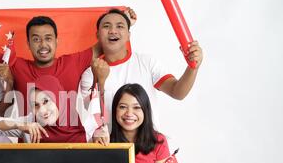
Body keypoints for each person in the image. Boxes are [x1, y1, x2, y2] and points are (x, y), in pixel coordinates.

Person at [0, 10, 137, 134]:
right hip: (32, 146)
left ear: (56, 40)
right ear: (28, 43)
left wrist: (125, 22)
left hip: (72, 144)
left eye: (48, 38)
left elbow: (105, 41)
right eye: (36, 39)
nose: (43, 44)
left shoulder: (72, 62)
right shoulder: (17, 65)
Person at [80, 8, 203, 140]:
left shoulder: (147, 62)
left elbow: (177, 92)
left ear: (128, 35)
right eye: (106, 26)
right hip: (113, 151)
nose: (113, 31)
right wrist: (100, 81)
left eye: (120, 26)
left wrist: (193, 67)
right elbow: (91, 118)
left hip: (148, 150)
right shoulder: (90, 73)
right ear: (97, 35)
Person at [28, 75, 87, 143]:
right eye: (35, 105)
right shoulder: (31, 124)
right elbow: (12, 125)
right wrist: (20, 126)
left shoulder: (86, 123)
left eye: (46, 101)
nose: (42, 110)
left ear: (59, 99)